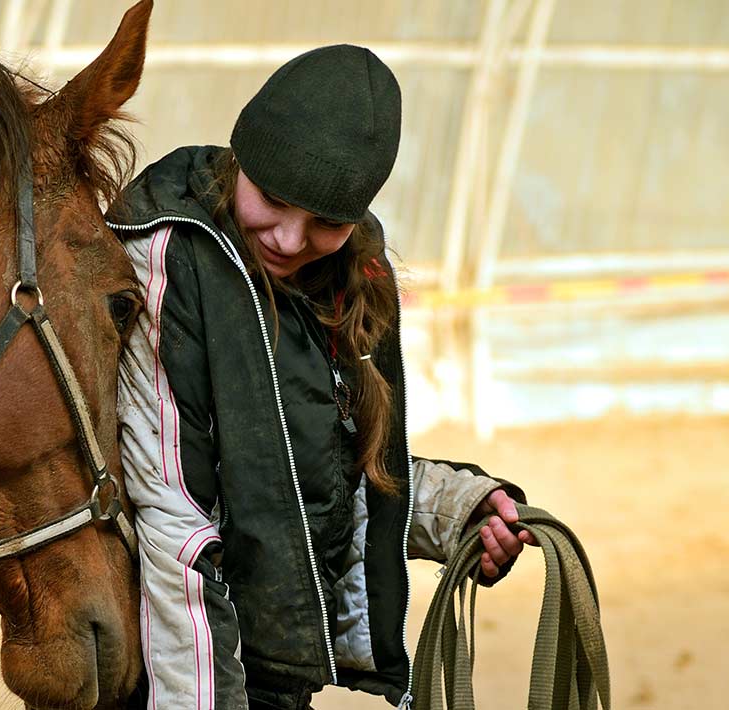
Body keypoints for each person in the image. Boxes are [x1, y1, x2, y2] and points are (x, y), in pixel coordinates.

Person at [107, 45, 535, 710]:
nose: (287, 238)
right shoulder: (168, 260)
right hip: (169, 678)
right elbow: (172, 518)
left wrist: (458, 511)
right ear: (241, 160)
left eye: (326, 223)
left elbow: (324, 474)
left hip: (269, 680)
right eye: (273, 201)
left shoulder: (353, 280)